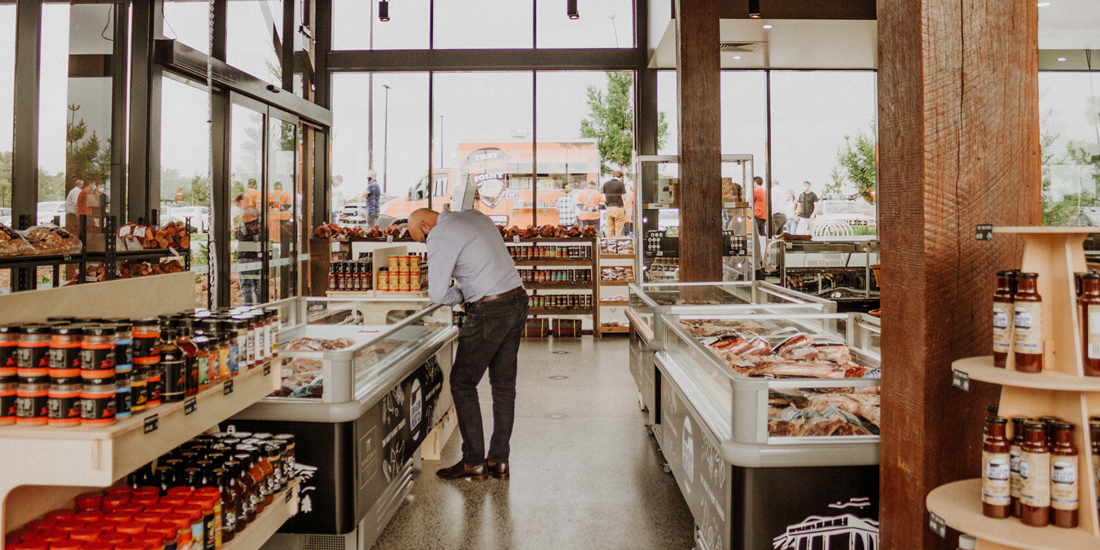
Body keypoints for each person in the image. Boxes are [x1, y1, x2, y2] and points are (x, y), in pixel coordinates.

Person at [408, 207, 528, 482]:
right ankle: (499, 461)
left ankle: (473, 461)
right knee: (504, 385)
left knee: (462, 383)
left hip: (490, 310)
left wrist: (459, 294)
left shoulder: (439, 234)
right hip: (517, 300)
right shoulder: (474, 215)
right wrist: (465, 290)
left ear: (426, 226)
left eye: (421, 239)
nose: (425, 244)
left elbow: (437, 293)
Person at [602, 171, 627, 237]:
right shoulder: (621, 184)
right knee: (618, 230)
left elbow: (604, 197)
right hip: (618, 208)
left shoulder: (605, 184)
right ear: (621, 177)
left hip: (609, 209)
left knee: (610, 230)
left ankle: (609, 245)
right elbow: (623, 197)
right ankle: (617, 245)